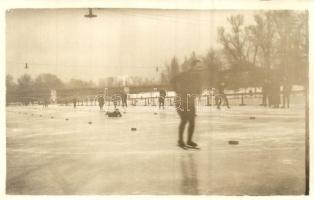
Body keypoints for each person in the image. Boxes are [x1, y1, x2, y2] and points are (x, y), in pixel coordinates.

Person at [171, 69, 201, 148]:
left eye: (200, 68)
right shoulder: (185, 74)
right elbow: (173, 80)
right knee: (184, 120)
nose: (199, 69)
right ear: (193, 67)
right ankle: (180, 141)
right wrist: (177, 90)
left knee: (192, 121)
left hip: (190, 101)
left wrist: (198, 91)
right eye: (198, 67)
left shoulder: (197, 77)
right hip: (181, 100)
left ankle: (189, 141)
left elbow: (197, 88)